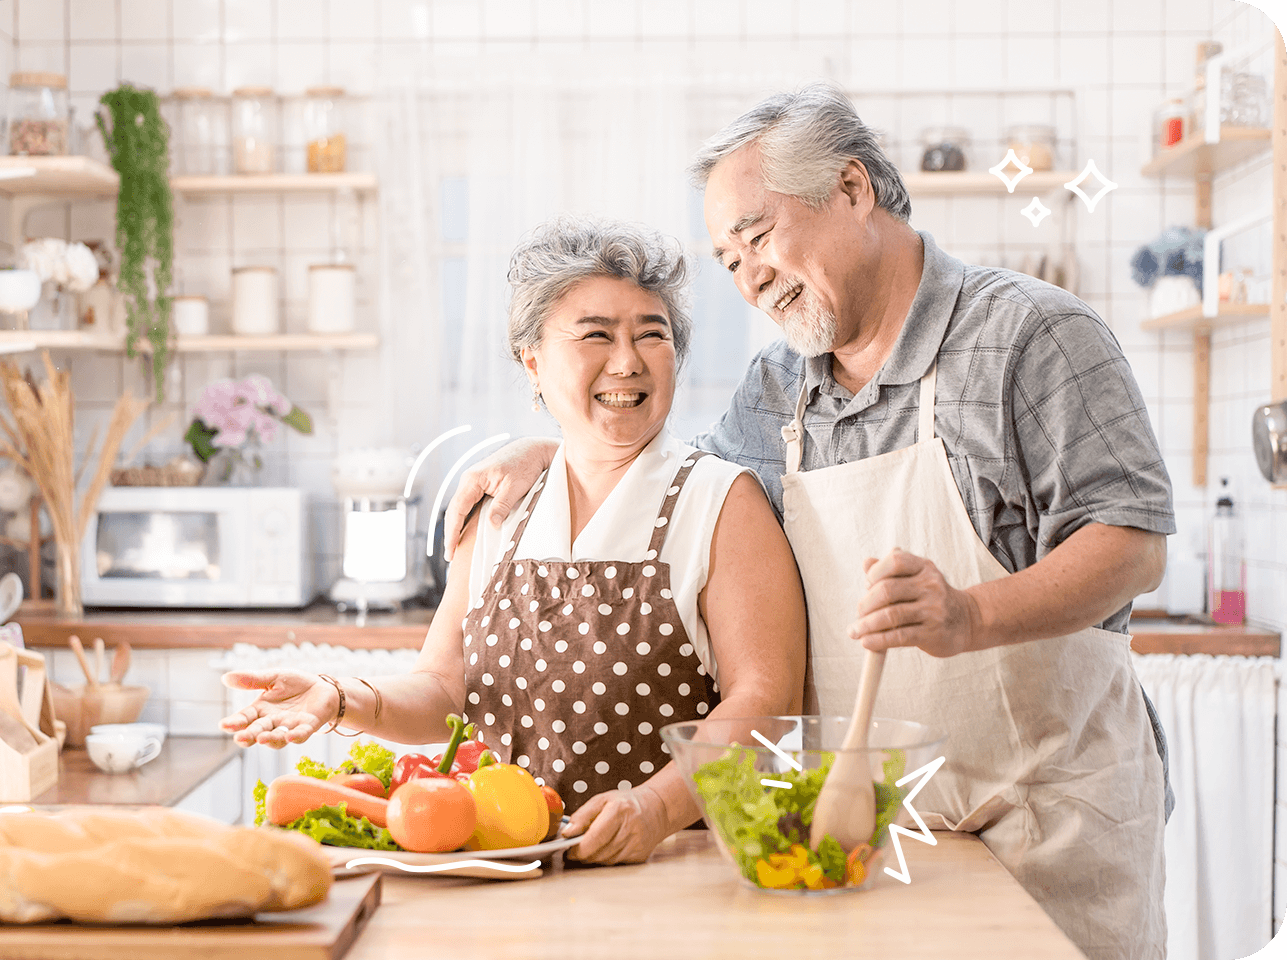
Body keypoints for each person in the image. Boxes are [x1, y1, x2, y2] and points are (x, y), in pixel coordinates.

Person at [443, 85, 1172, 960]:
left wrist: (969, 615)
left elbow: (1130, 542)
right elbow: (660, 472)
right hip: (852, 840)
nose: (746, 274)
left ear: (853, 189)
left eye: (756, 236)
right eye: (726, 258)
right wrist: (547, 448)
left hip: (1043, 823)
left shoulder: (1030, 334)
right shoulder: (777, 388)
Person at [220, 216, 807, 866]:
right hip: (508, 866)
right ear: (534, 361)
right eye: (596, 335)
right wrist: (341, 696)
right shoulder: (501, 507)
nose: (628, 360)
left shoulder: (720, 501)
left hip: (675, 865)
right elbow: (445, 691)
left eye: (653, 335)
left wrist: (656, 808)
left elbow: (767, 700)